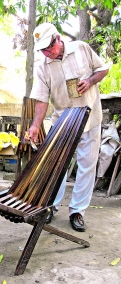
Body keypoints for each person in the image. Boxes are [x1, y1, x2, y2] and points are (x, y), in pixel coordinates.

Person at [26, 23, 109, 232]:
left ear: (59, 38)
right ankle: (51, 206)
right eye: (43, 50)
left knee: (87, 165)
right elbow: (42, 100)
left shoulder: (81, 48)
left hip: (89, 118)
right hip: (62, 120)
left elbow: (103, 68)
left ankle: (77, 211)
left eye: (50, 47)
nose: (48, 53)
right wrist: (35, 125)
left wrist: (90, 81)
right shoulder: (43, 66)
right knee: (57, 165)